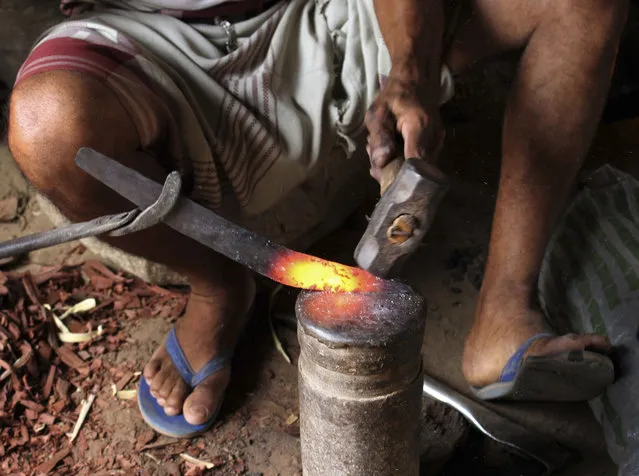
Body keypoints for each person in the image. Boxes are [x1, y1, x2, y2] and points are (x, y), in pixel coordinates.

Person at [4, 0, 628, 437]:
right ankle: (220, 286)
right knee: (48, 125)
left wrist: (409, 69)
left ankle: (504, 314)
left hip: (329, 13)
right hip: (157, 37)